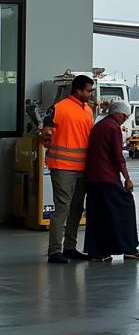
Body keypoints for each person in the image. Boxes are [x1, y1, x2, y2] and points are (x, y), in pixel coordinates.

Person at [40, 73, 95, 264]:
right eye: (88, 91)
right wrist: (47, 136)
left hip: (82, 168)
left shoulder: (88, 110)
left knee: (77, 209)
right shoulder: (58, 108)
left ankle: (70, 247)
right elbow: (46, 134)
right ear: (78, 90)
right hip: (62, 167)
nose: (90, 94)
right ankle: (55, 251)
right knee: (62, 208)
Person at [84, 99, 139, 262]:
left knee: (99, 214)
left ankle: (97, 251)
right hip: (107, 177)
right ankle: (129, 247)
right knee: (125, 206)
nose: (125, 119)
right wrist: (127, 178)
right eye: (124, 116)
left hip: (92, 178)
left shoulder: (98, 126)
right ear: (117, 113)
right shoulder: (113, 128)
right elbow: (118, 157)